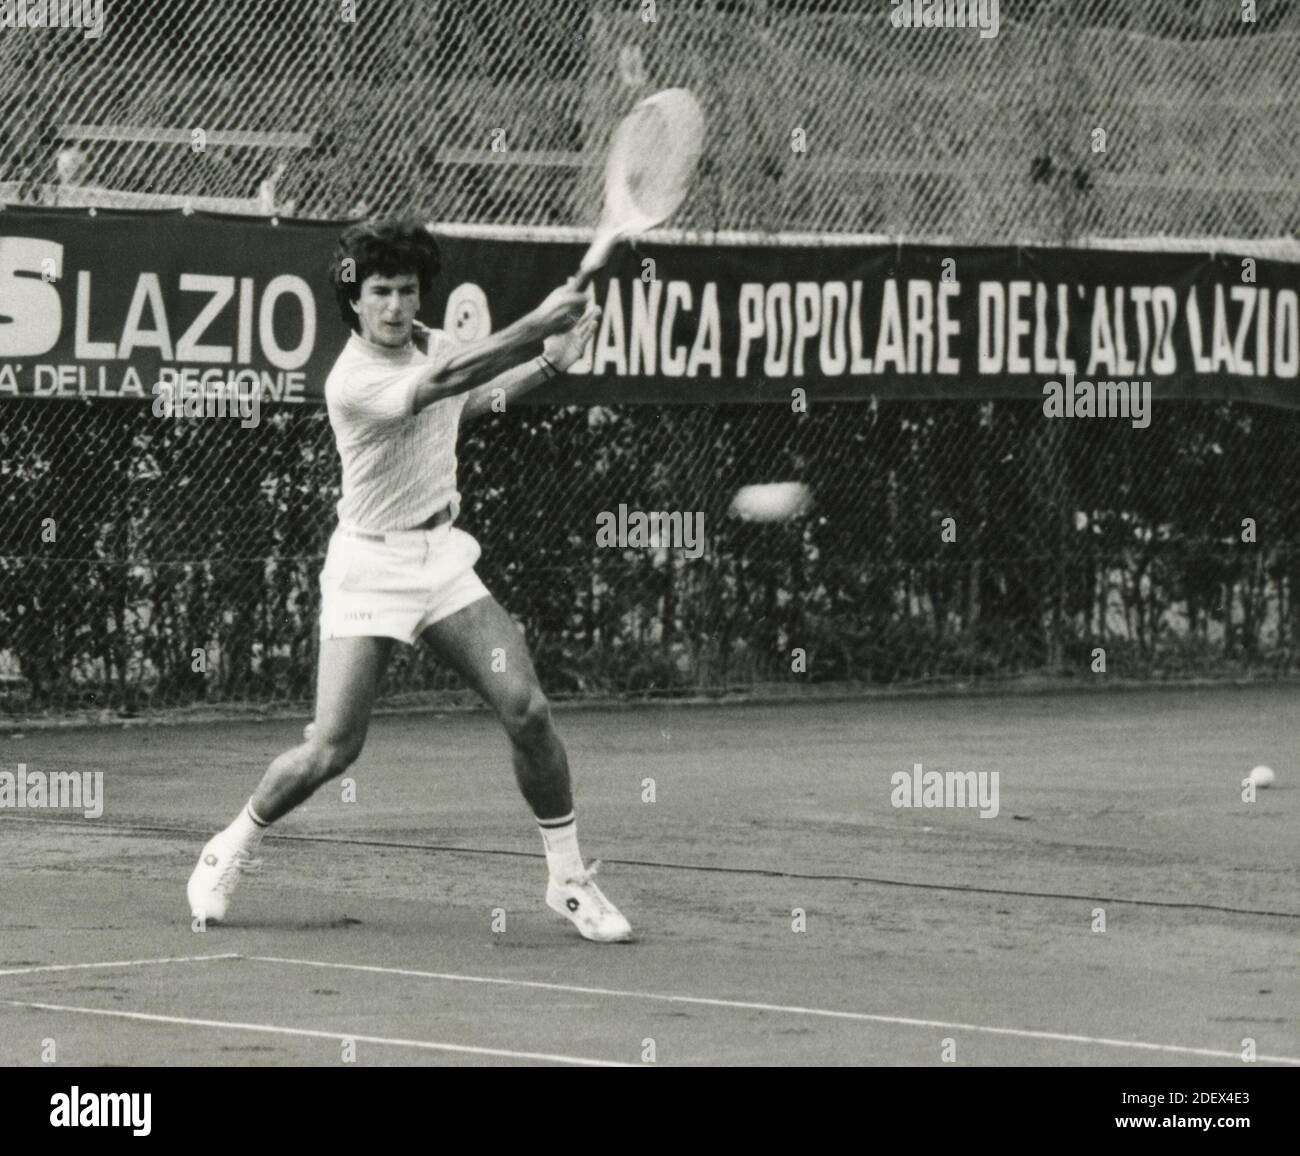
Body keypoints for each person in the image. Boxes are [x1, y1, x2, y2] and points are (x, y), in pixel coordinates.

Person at [187, 218, 632, 943]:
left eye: (407, 290)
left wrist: (549, 362)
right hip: (369, 568)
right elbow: (450, 380)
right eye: (380, 292)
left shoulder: (437, 345)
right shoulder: (353, 380)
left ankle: (569, 879)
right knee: (334, 748)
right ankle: (230, 844)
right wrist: (534, 326)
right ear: (354, 301)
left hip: (443, 559)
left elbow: (468, 402)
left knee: (527, 709)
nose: (395, 305)